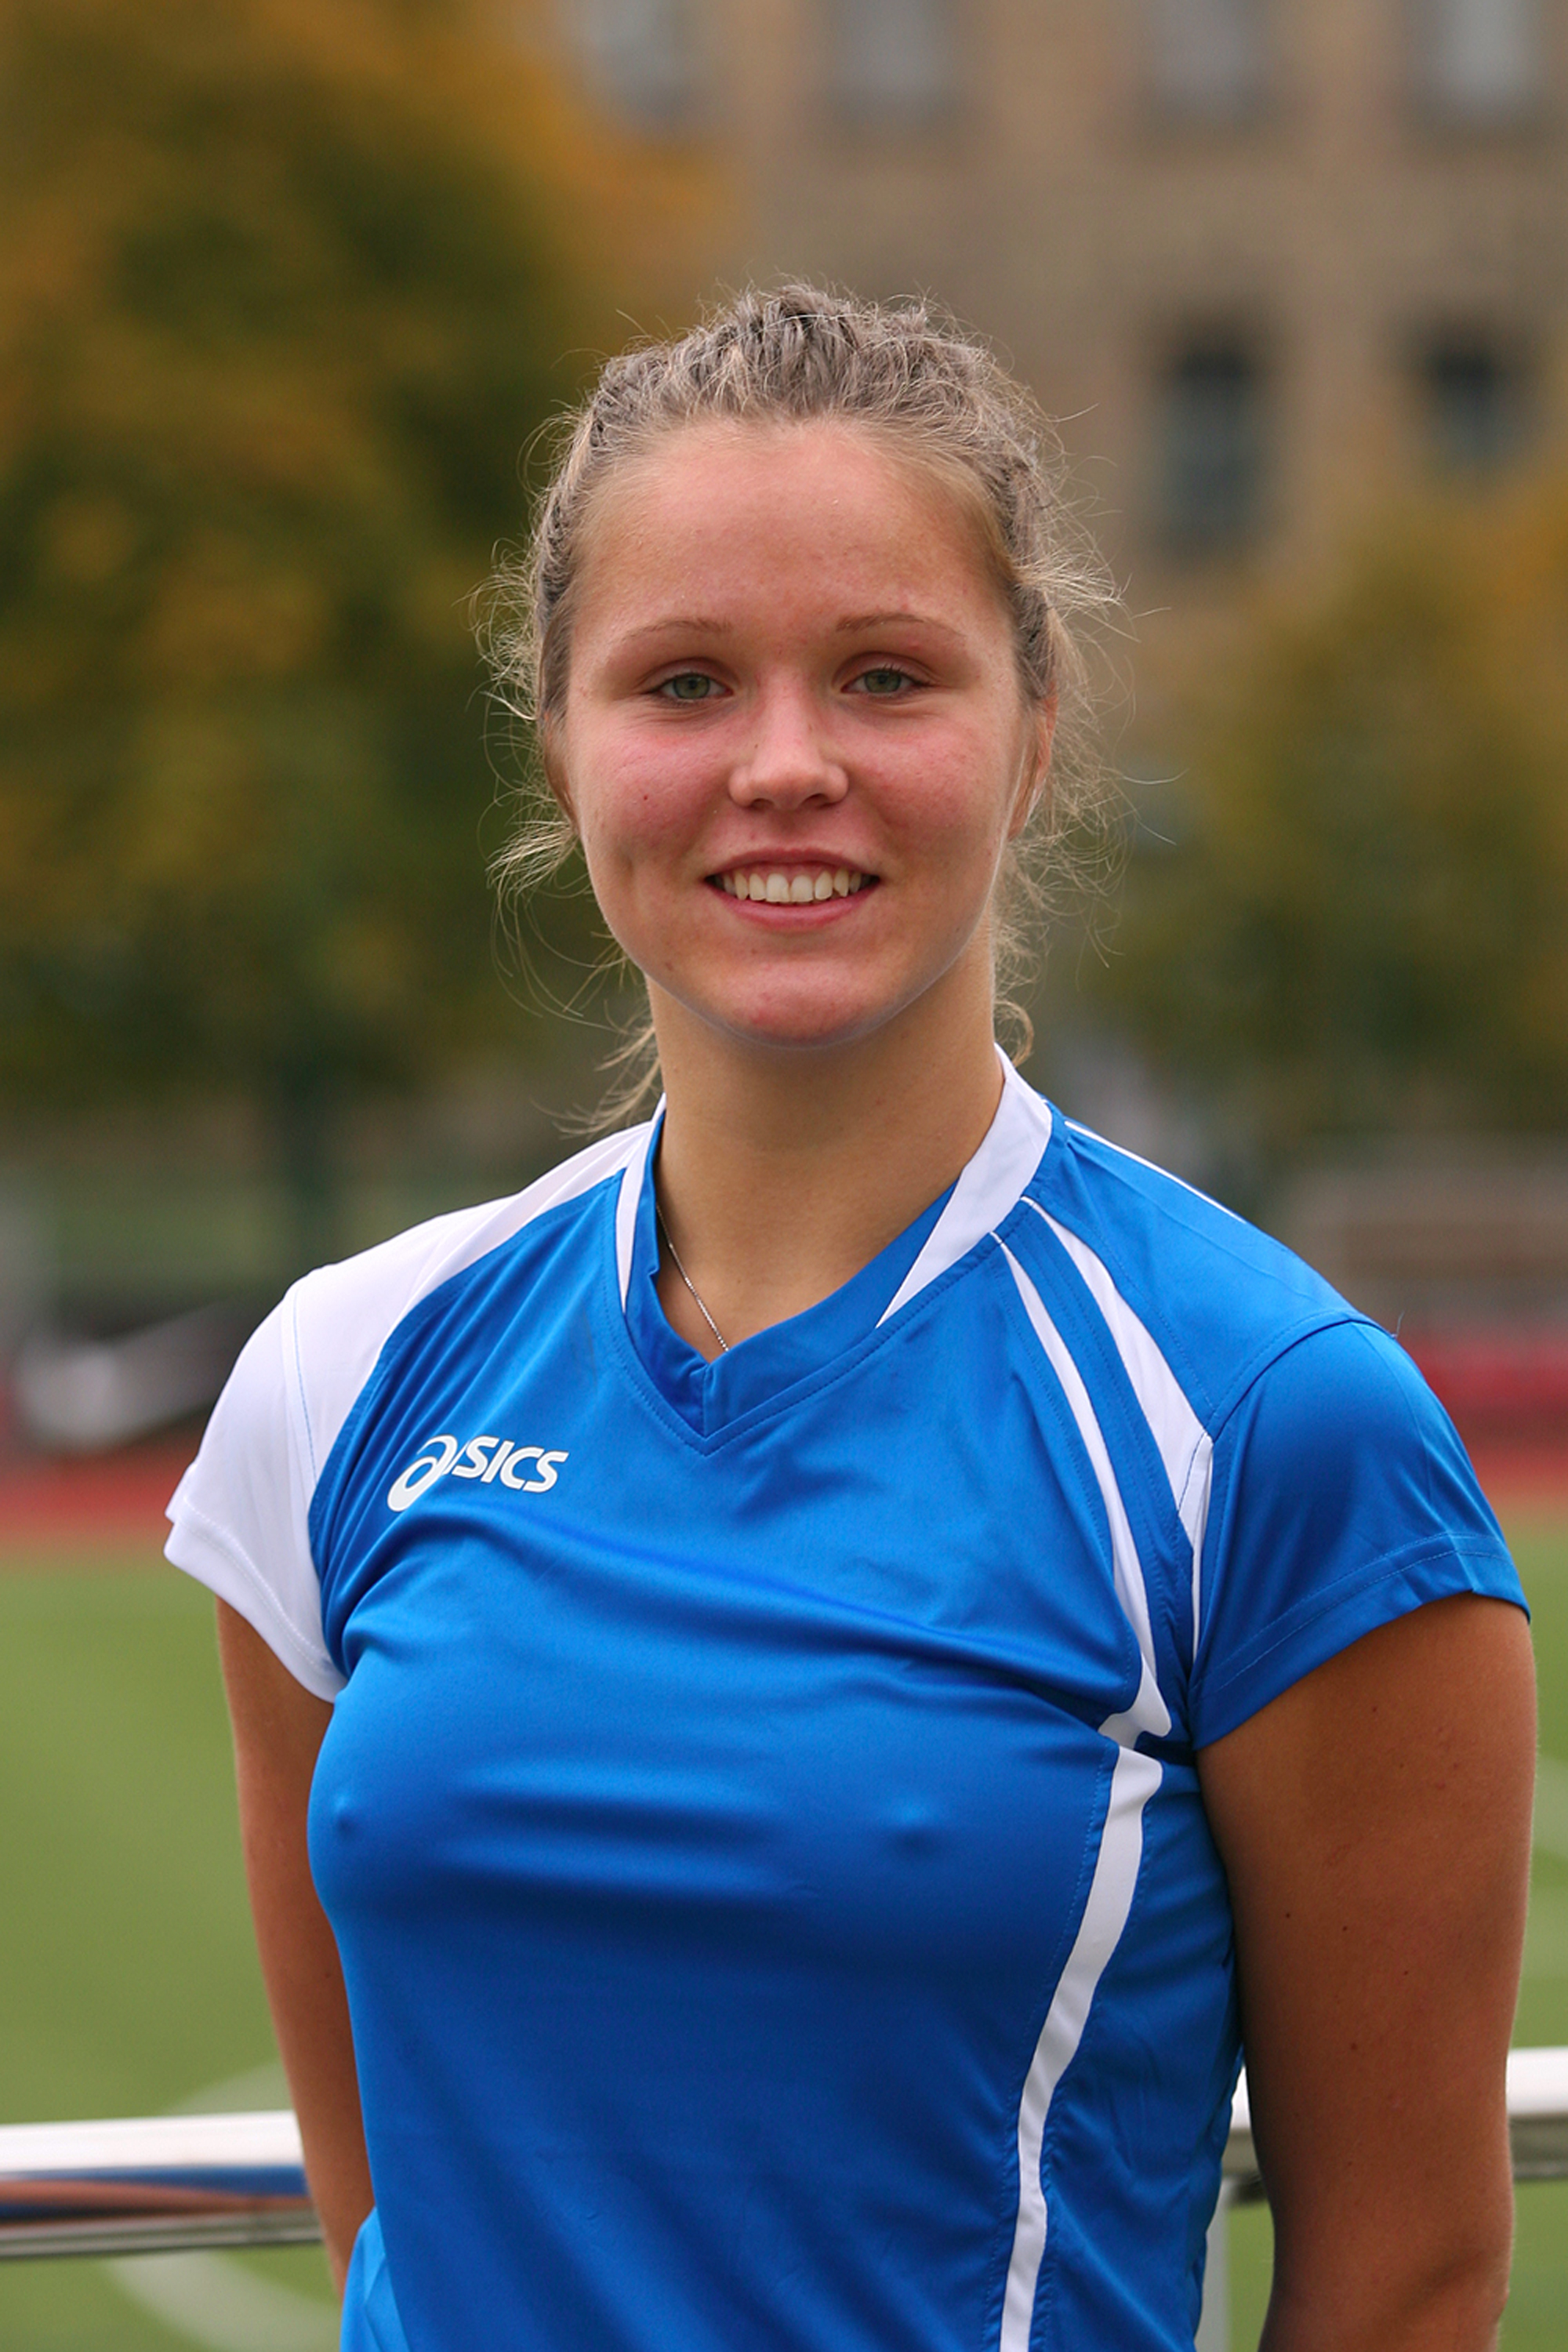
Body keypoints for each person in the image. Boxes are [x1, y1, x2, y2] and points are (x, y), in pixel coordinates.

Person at [167, 287, 1534, 2352]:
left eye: (887, 676)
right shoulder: (344, 1377)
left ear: (1033, 729)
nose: (786, 766)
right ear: (561, 742)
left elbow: (1407, 2280)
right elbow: (394, 2216)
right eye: (684, 682)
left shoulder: (1267, 1424)